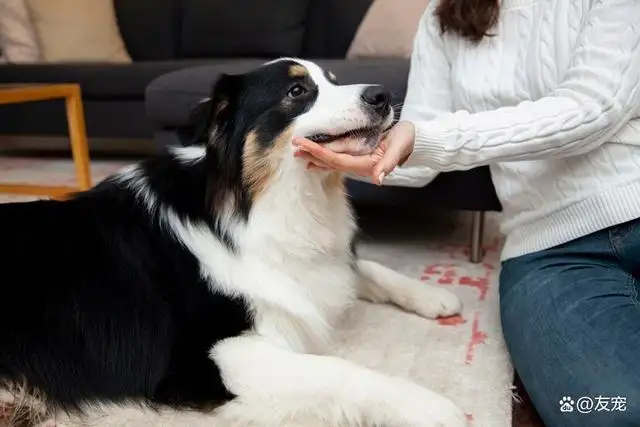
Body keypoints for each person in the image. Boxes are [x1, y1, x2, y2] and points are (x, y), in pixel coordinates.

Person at [292, 0, 640, 426]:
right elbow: (419, 153)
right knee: (608, 412)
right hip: (550, 249)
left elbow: (594, 108)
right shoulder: (443, 17)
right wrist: (349, 155)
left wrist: (424, 139)